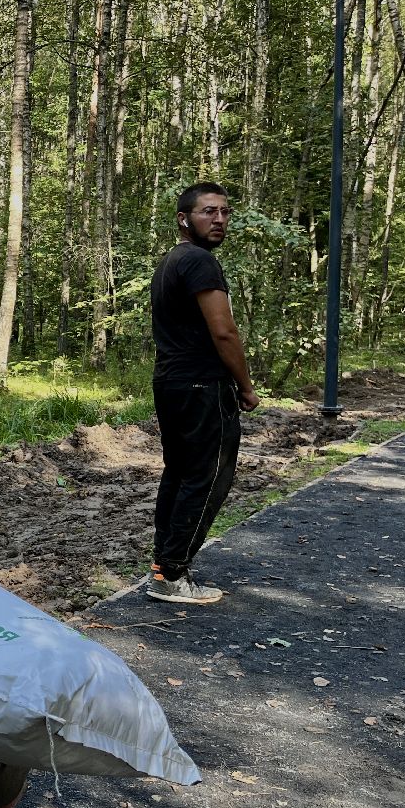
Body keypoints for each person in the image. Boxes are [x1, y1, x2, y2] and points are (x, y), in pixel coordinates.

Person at [148, 182, 260, 605]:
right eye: (208, 211)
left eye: (225, 212)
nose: (219, 219)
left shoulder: (171, 262)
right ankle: (172, 574)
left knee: (179, 474)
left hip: (172, 382)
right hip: (201, 385)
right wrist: (245, 386)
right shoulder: (199, 262)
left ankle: (164, 565)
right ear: (184, 219)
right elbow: (224, 331)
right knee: (208, 478)